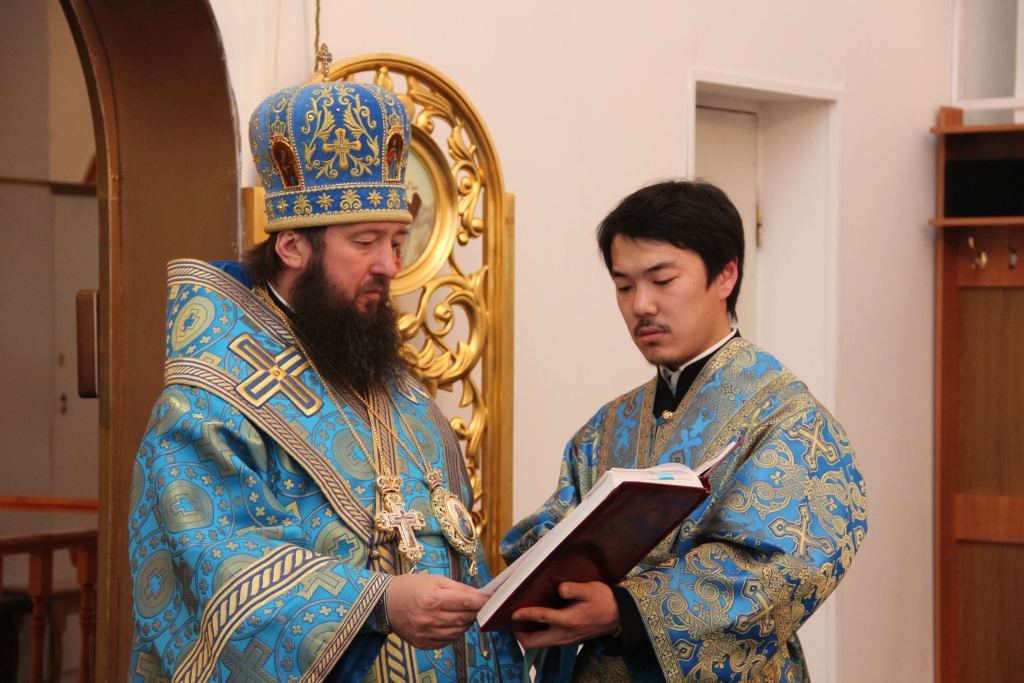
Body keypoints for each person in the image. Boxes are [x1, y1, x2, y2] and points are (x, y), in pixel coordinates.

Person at [126, 75, 522, 683]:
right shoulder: (208, 403)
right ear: (292, 247)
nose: (390, 265)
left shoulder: (396, 390)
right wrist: (378, 604)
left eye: (396, 241)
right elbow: (209, 565)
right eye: (365, 242)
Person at [501, 181, 868, 682]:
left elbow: (788, 568)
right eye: (624, 286)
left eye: (662, 280)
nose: (641, 305)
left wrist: (624, 609)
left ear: (725, 275)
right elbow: (553, 533)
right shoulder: (605, 428)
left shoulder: (789, 419)